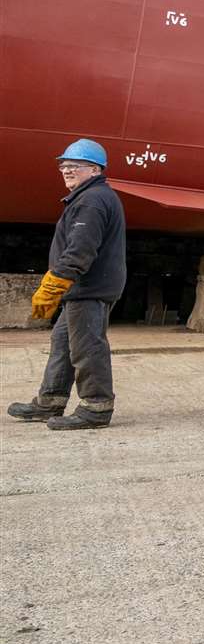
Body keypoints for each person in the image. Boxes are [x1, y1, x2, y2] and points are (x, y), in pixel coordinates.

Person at [6, 139, 127, 431]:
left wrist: (53, 284)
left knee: (87, 347)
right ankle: (50, 400)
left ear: (95, 170)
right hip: (81, 289)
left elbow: (80, 250)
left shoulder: (92, 201)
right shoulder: (87, 197)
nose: (67, 170)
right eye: (64, 165)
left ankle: (96, 407)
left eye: (75, 165)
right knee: (62, 344)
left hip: (89, 288)